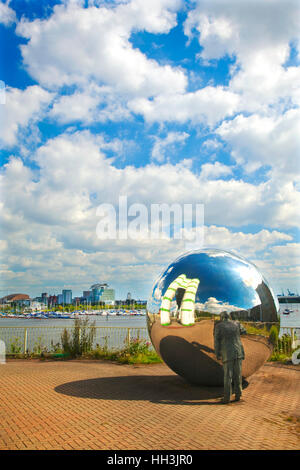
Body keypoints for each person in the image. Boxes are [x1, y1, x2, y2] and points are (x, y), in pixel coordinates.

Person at [214, 311, 246, 404]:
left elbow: (217, 341)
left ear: (222, 317)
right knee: (238, 374)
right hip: (238, 352)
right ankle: (238, 395)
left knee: (228, 376)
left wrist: (217, 353)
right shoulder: (237, 323)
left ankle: (227, 398)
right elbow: (244, 331)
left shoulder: (219, 326)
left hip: (227, 353)